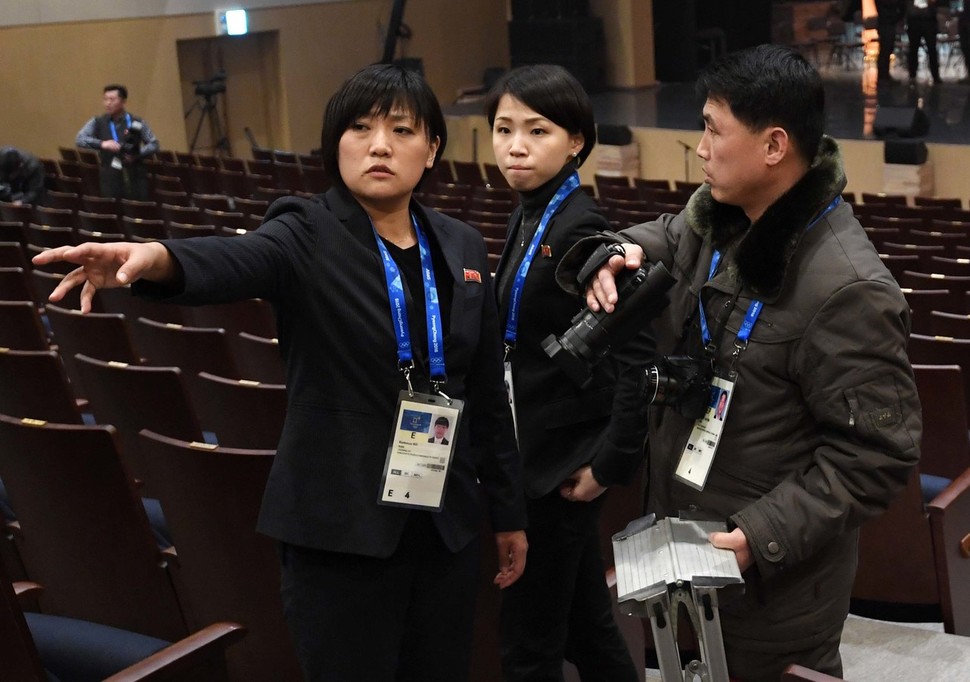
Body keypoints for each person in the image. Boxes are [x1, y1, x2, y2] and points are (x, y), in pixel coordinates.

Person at [37, 63, 528, 681]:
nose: (379, 145)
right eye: (360, 128)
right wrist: (156, 259)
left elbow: (483, 390)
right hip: (339, 530)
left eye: (402, 131)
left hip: (443, 525)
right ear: (335, 143)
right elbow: (239, 257)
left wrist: (508, 512)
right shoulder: (305, 230)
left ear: (432, 149)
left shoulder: (460, 246)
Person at [560, 44, 921, 680]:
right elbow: (665, 235)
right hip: (692, 559)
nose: (698, 146)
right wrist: (617, 250)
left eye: (711, 128)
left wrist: (760, 536)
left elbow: (876, 457)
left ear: (774, 145)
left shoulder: (848, 287)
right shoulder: (719, 220)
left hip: (774, 590)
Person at [487, 64, 650, 681]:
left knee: (530, 647)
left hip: (559, 470)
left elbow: (635, 359)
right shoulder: (529, 211)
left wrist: (609, 465)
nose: (516, 146)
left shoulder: (578, 227)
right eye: (504, 129)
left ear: (577, 140)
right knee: (587, 629)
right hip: (538, 454)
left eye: (537, 130)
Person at [75, 84, 159, 200]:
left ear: (123, 101)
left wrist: (137, 154)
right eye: (105, 99)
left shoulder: (137, 122)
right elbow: (80, 139)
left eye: (112, 99)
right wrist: (102, 144)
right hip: (110, 177)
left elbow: (154, 144)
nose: (108, 103)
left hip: (135, 177)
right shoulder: (98, 121)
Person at [905, 0, 942, 84]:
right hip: (924, 20)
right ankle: (934, 75)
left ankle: (913, 75)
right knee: (926, 49)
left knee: (916, 49)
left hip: (920, 20)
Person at [876, 0, 904, 84]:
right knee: (885, 49)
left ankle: (884, 75)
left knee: (887, 49)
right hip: (886, 21)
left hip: (888, 21)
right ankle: (883, 76)